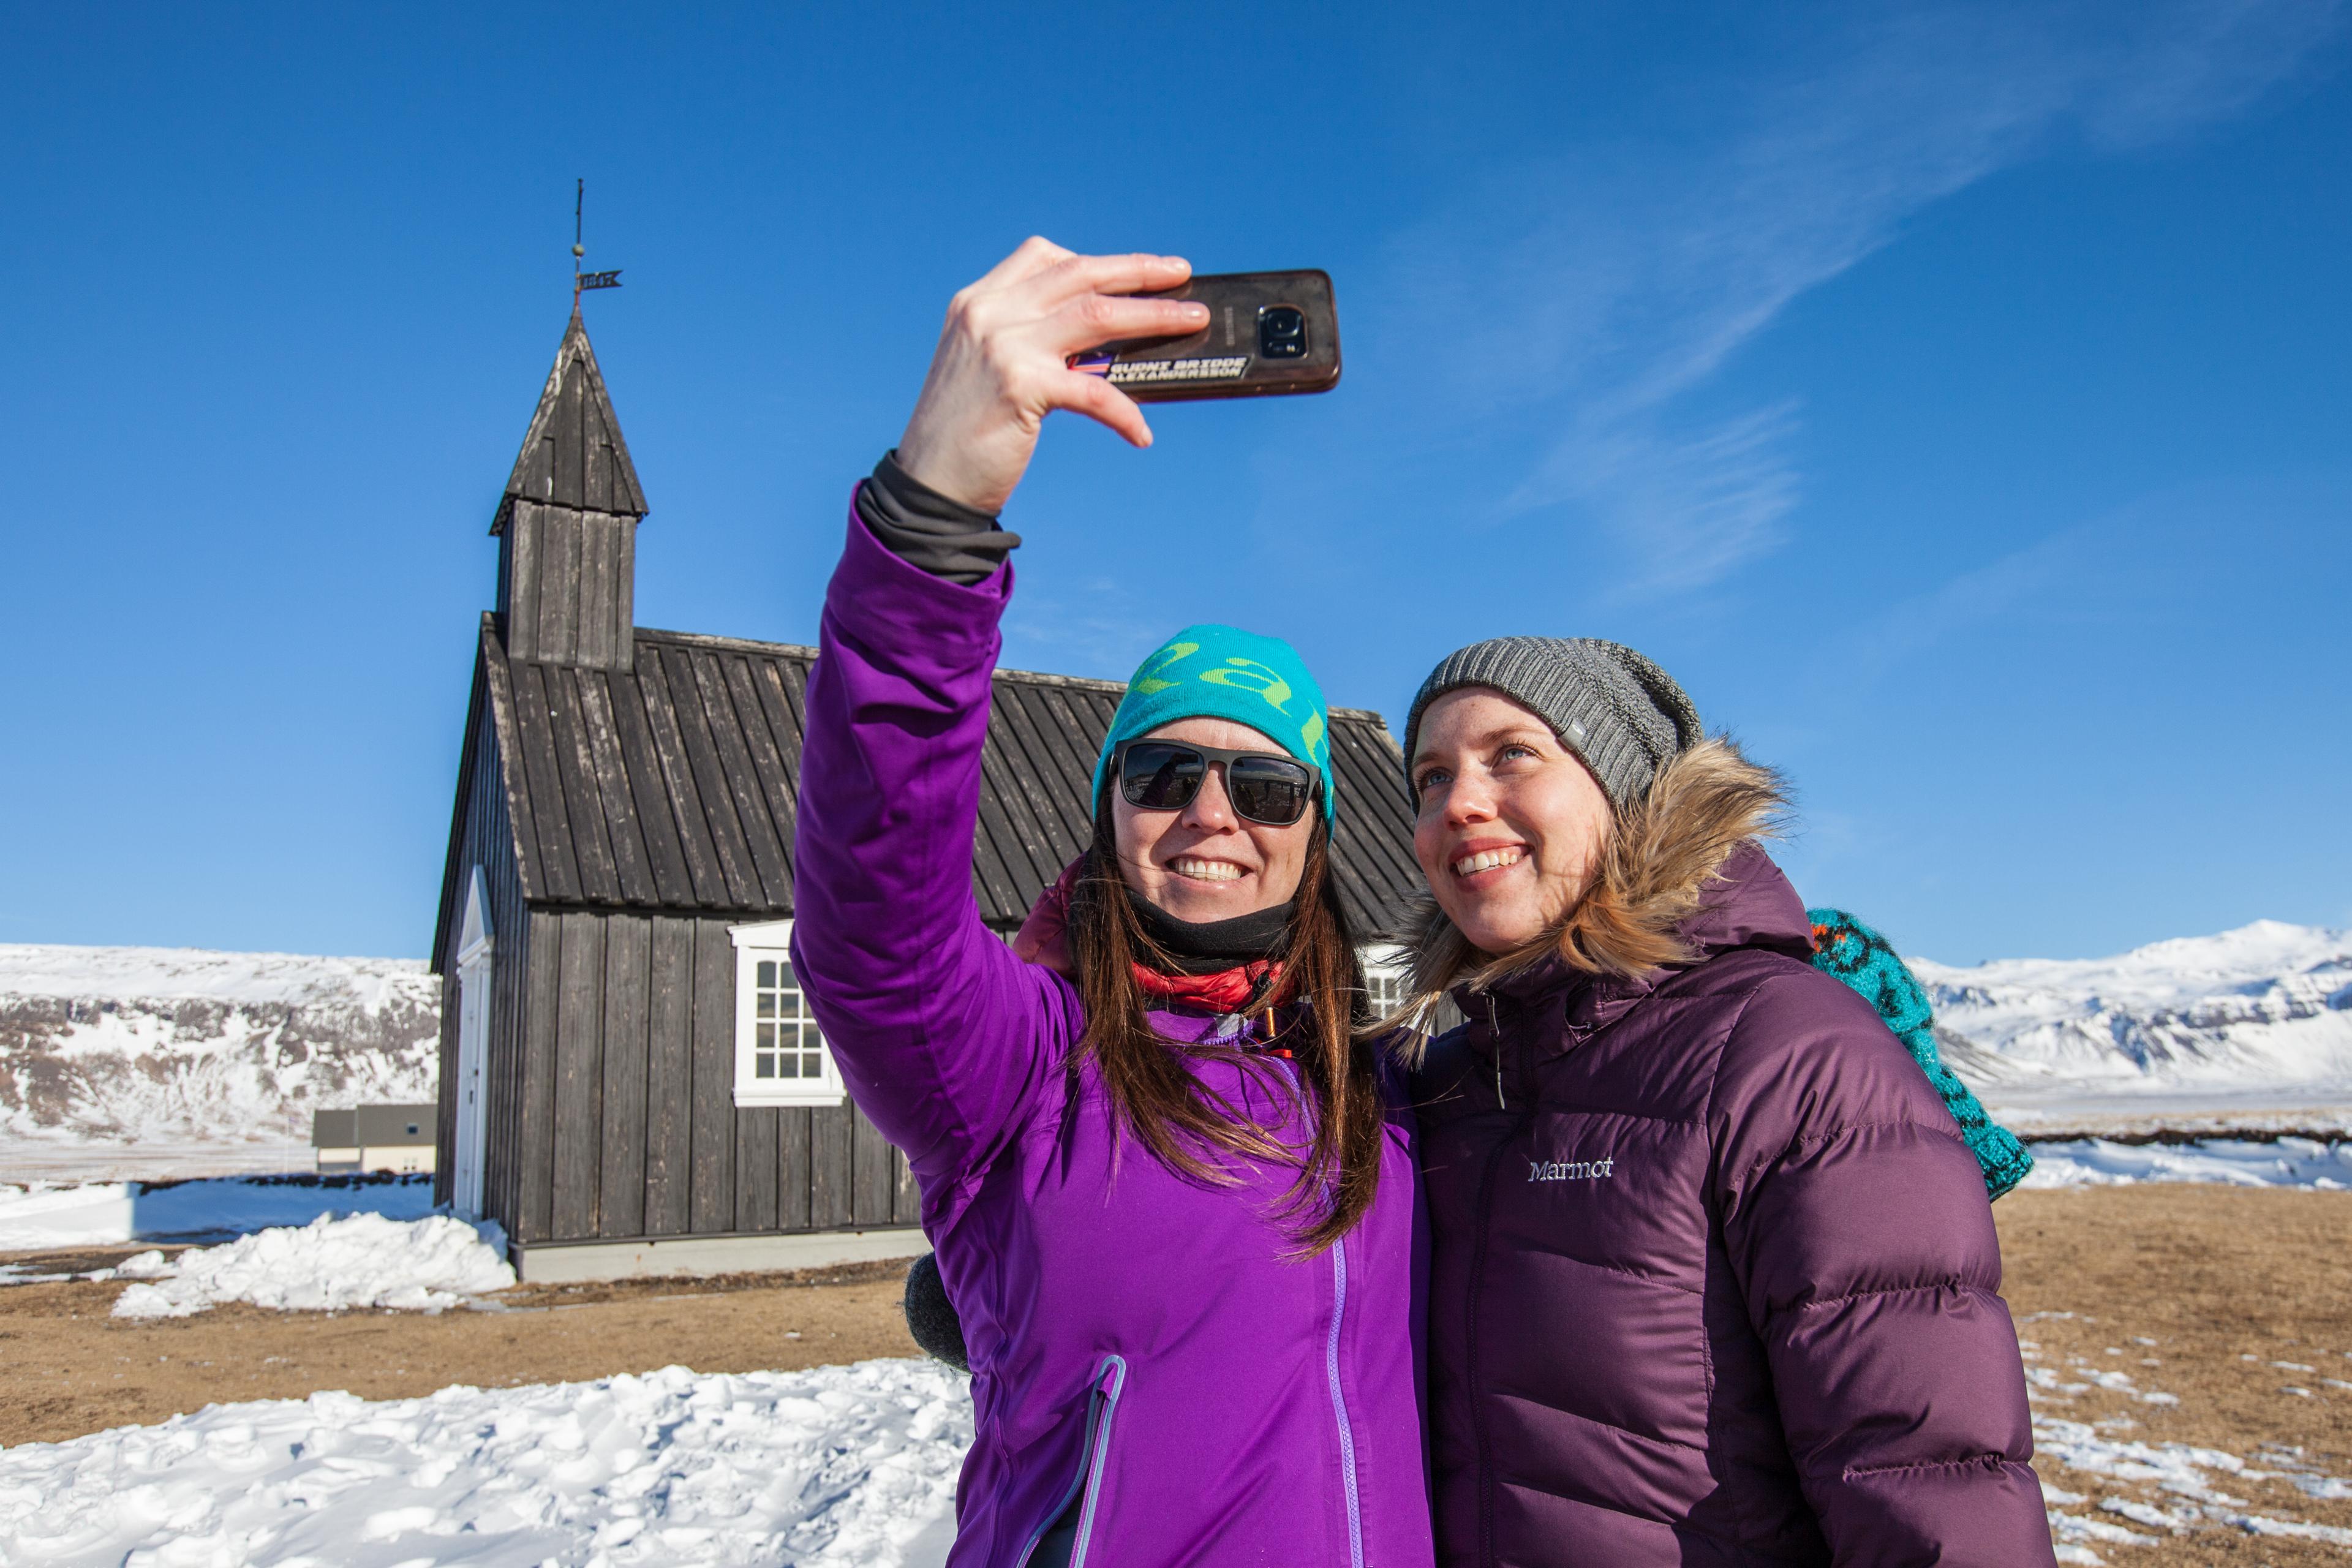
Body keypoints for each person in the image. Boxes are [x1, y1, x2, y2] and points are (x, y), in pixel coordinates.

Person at [790, 239, 1434, 1568]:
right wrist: (934, 519)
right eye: (1164, 771)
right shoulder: (1013, 1066)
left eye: (1265, 785)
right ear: (1108, 804)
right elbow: (874, 903)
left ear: (1315, 835)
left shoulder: (1389, 1092)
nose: (1213, 812)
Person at [1395, 636, 2056, 1566]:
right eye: (1430, 776)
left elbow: (1929, 1484)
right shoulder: (1453, 1081)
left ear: (1629, 790)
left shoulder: (1785, 1052)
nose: (1458, 802)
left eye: (1513, 755)